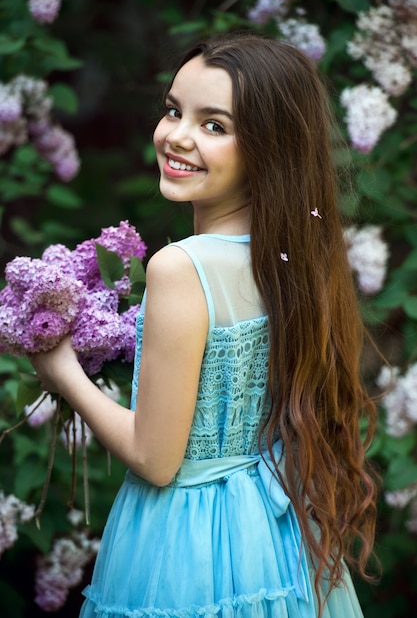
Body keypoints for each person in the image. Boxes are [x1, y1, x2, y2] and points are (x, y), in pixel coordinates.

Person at [31, 33, 379, 618]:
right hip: (274, 538)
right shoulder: (293, 256)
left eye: (214, 125)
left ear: (269, 148)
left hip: (188, 541)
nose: (177, 136)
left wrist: (62, 369)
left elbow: (157, 458)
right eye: (174, 110)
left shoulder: (181, 268)